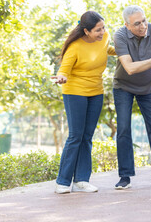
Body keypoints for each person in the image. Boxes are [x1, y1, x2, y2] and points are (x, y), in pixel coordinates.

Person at [51, 11, 117, 194]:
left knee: (87, 137)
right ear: (86, 31)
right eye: (97, 30)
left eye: (103, 27)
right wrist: (61, 78)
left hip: (96, 92)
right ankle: (62, 182)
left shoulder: (104, 38)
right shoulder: (75, 47)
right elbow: (64, 69)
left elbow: (107, 49)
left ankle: (81, 180)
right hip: (75, 92)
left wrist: (124, 52)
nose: (102, 32)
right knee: (76, 136)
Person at [112, 5, 151, 189]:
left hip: (148, 88)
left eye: (144, 20)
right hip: (123, 86)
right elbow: (130, 68)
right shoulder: (120, 36)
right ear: (127, 25)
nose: (143, 26)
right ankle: (125, 176)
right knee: (123, 129)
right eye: (137, 23)